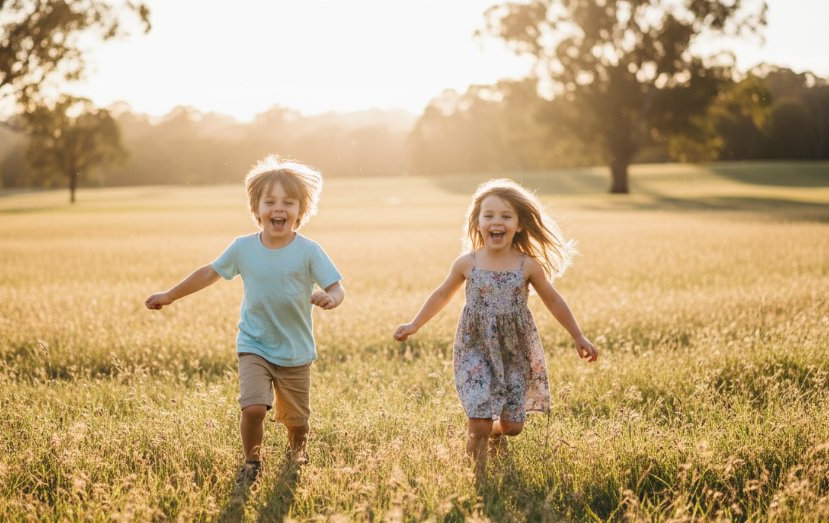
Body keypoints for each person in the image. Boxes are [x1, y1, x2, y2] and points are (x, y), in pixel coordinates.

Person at [146, 155, 345, 485]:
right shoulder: (243, 248)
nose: (278, 208)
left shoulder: (309, 251)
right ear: (256, 209)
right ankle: (252, 462)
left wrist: (331, 299)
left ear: (300, 212)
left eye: (288, 202)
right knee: (253, 408)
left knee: (297, 422)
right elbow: (209, 272)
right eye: (270, 201)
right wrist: (169, 295)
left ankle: (297, 456)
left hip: (295, 351)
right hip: (254, 344)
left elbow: (336, 287)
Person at [393, 178, 597, 473]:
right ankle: (476, 478)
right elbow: (441, 294)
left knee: (513, 425)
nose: (496, 222)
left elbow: (553, 300)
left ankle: (495, 435)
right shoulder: (467, 263)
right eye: (488, 215)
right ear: (477, 223)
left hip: (514, 349)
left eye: (505, 216)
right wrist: (414, 324)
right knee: (479, 418)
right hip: (474, 347)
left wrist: (578, 336)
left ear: (519, 225)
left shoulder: (527, 265)